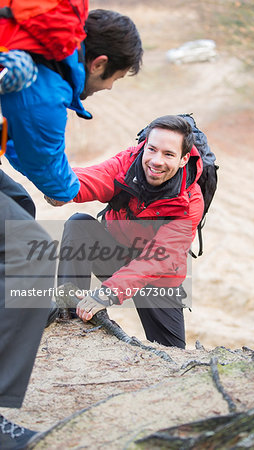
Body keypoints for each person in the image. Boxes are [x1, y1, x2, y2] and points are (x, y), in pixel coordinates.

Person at [0, 8, 143, 449]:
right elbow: (45, 167)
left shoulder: (31, 50)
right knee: (31, 256)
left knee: (18, 203)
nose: (107, 89)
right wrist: (64, 190)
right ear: (98, 63)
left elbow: (22, 150)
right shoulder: (45, 87)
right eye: (112, 80)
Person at [52, 115, 204, 350]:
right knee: (79, 224)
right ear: (144, 145)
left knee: (172, 354)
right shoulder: (127, 162)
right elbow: (96, 177)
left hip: (159, 277)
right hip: (117, 256)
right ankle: (71, 312)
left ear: (184, 159)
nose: (156, 160)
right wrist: (61, 189)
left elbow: (158, 258)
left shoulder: (191, 201)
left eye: (168, 154)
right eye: (152, 149)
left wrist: (107, 293)